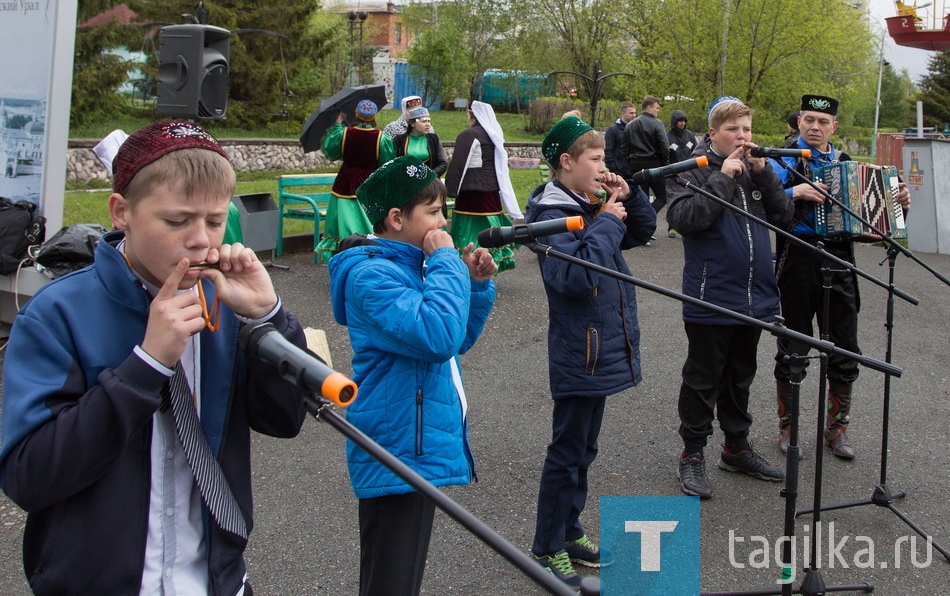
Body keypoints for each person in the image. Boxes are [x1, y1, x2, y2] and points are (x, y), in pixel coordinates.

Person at [0, 119, 307, 595]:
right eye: (177, 221)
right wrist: (145, 366)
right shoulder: (57, 314)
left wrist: (268, 319)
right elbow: (29, 476)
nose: (201, 241)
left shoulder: (223, 301)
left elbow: (284, 419)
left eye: (214, 220)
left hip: (215, 579)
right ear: (121, 212)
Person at [328, 155, 497, 596]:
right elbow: (438, 335)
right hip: (395, 445)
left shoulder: (410, 266)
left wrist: (474, 287)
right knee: (391, 579)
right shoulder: (371, 276)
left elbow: (455, 342)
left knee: (401, 576)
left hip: (415, 441)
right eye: (434, 212)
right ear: (397, 218)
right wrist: (446, 263)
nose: (444, 221)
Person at [525, 116, 656, 587]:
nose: (605, 166)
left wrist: (628, 196)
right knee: (567, 450)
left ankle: (569, 531)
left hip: (598, 349)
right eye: (596, 159)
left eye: (605, 158)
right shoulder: (548, 215)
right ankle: (546, 546)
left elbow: (641, 231)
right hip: (579, 351)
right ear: (567, 163)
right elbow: (574, 278)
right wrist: (604, 224)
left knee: (585, 448)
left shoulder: (590, 201)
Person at [770, 94, 911, 460]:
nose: (815, 127)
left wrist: (896, 208)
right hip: (796, 260)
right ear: (798, 122)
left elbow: (869, 226)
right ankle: (789, 428)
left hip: (840, 260)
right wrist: (793, 190)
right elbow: (763, 205)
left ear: (834, 127)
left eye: (823, 121)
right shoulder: (781, 159)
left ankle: (837, 429)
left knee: (846, 347)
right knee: (793, 346)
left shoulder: (844, 163)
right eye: (809, 120)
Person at [666, 97, 793, 499]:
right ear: (713, 133)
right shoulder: (694, 169)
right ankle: (692, 454)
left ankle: (736, 448)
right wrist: (721, 176)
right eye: (733, 130)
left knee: (741, 376)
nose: (742, 138)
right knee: (703, 378)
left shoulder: (756, 170)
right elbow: (685, 220)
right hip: (710, 295)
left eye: (747, 129)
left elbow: (785, 216)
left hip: (755, 297)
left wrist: (765, 174)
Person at [444, 101, 523, 272]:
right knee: (491, 230)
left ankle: (465, 266)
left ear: (472, 115)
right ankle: (489, 265)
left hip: (471, 194)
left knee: (466, 230)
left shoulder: (469, 135)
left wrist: (449, 190)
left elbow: (458, 165)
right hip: (492, 193)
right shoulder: (493, 136)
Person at [317, 99, 395, 264]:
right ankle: (367, 256)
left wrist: (338, 123)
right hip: (368, 187)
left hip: (343, 186)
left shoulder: (344, 133)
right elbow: (386, 165)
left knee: (342, 225)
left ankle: (343, 259)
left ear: (356, 115)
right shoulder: (382, 138)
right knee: (367, 223)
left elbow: (330, 152)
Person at [623, 95, 672, 220]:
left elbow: (624, 147)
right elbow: (665, 146)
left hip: (636, 165)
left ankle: (642, 224)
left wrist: (630, 160)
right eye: (656, 108)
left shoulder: (630, 125)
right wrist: (664, 163)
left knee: (642, 198)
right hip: (654, 164)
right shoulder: (657, 124)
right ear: (649, 107)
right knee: (663, 196)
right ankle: (647, 218)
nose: (658, 110)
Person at [666, 109, 699, 238]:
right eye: (679, 121)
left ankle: (689, 225)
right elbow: (665, 154)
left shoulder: (690, 135)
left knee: (691, 198)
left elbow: (696, 151)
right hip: (674, 172)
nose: (682, 123)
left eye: (684, 121)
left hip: (690, 172)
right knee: (674, 199)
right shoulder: (667, 136)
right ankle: (671, 227)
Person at [392, 106, 448, 176]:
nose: (428, 124)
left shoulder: (434, 139)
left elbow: (443, 163)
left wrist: (430, 176)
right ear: (412, 123)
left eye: (429, 121)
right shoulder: (399, 140)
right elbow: (393, 163)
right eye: (424, 121)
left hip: (429, 183)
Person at [605, 102, 636, 178]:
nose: (634, 115)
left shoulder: (636, 129)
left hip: (635, 170)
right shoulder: (613, 130)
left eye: (635, 113)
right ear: (623, 113)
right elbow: (608, 150)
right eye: (631, 113)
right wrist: (614, 169)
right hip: (620, 171)